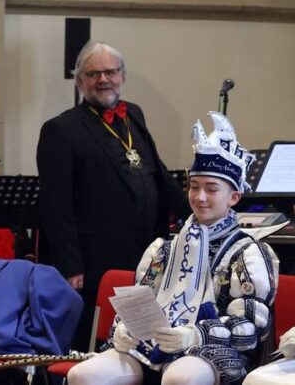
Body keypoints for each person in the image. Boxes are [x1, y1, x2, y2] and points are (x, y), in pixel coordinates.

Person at [68, 111, 279, 385]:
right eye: (194, 187)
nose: (200, 197)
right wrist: (123, 329)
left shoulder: (247, 252)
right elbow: (137, 304)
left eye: (212, 189)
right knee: (82, 374)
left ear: (234, 197)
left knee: (181, 378)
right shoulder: (164, 248)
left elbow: (252, 327)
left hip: (213, 350)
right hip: (150, 345)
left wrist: (196, 335)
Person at [36, 41, 186, 350]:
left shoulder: (134, 114)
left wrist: (198, 216)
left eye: (110, 72)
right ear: (80, 82)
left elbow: (157, 172)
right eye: (93, 74)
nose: (103, 79)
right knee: (93, 346)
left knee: (139, 344)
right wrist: (70, 265)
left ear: (122, 75)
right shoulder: (60, 130)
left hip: (144, 256)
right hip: (94, 264)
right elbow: (55, 206)